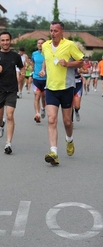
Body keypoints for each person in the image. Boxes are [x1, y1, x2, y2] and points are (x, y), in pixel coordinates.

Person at [41, 21, 84, 165]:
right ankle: (53, 152)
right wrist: (43, 70)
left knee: (67, 121)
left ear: (62, 32)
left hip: (66, 88)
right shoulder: (45, 46)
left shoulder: (70, 45)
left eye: (55, 31)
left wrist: (68, 64)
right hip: (50, 88)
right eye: (51, 30)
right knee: (52, 119)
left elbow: (81, 61)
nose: (52, 33)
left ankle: (69, 139)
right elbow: (47, 60)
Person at [30, 38, 47, 123]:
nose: (40, 44)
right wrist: (32, 71)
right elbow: (33, 63)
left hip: (46, 79)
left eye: (42, 43)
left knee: (44, 97)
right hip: (36, 78)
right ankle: (37, 114)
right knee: (37, 95)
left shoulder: (48, 53)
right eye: (38, 43)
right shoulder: (34, 54)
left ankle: (43, 108)